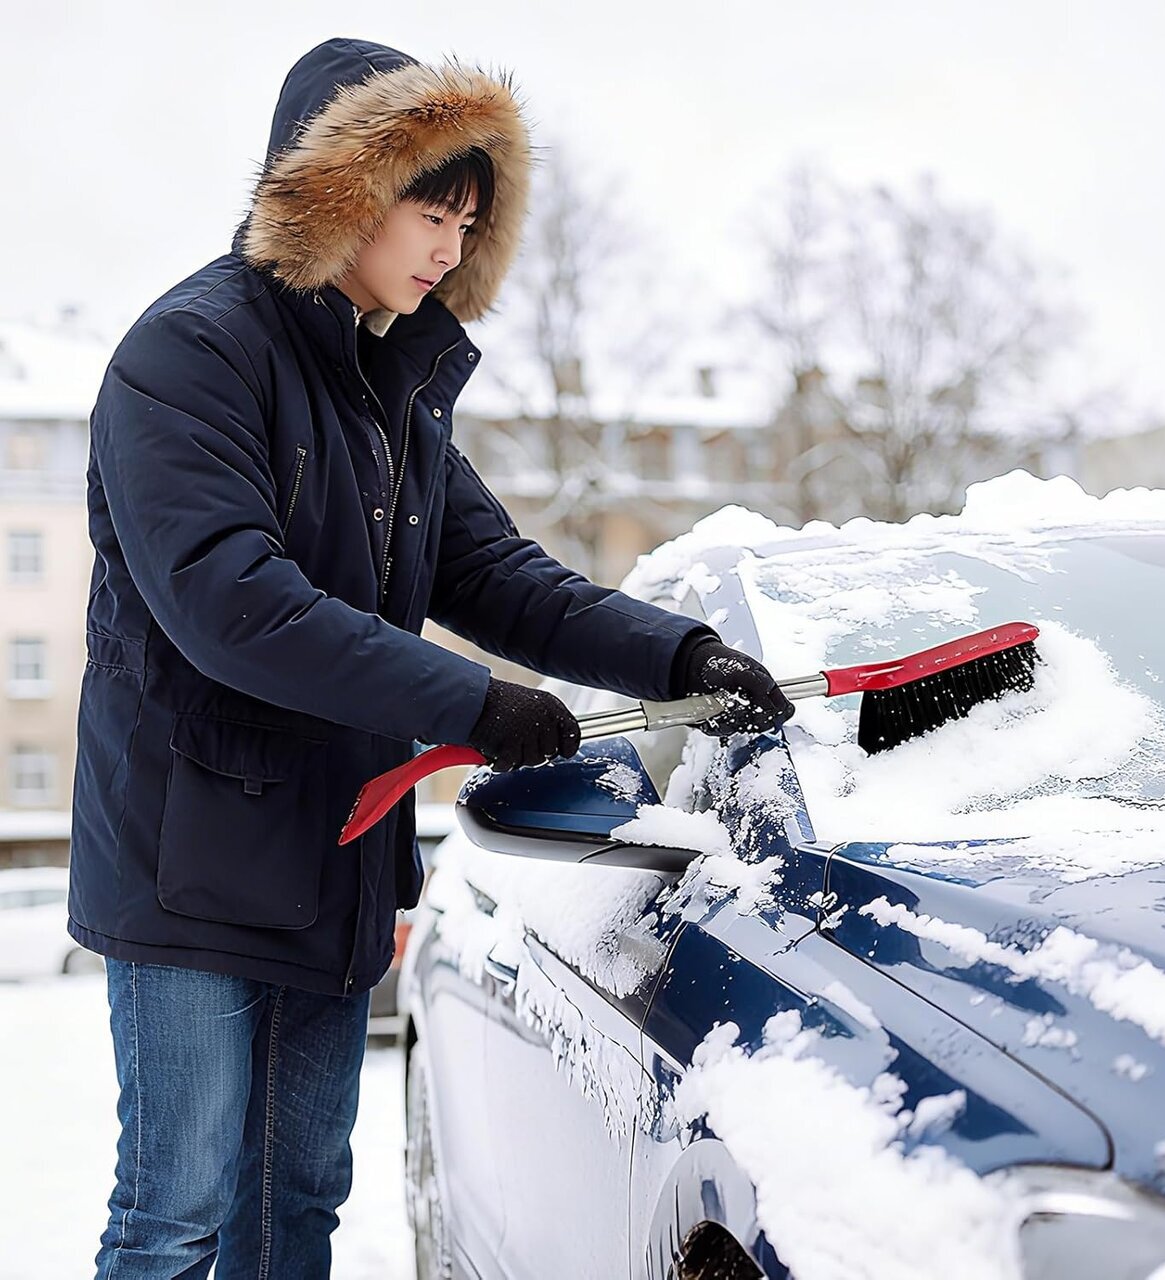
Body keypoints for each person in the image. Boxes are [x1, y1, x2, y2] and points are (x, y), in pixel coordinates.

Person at [68, 35, 795, 1279]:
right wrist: (471, 702)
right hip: (191, 863)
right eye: (429, 211)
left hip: (333, 850)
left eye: (468, 220)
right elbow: (231, 602)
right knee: (176, 1215)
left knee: (295, 1205)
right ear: (342, 192)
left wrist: (680, 654)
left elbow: (499, 575)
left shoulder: (386, 391)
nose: (450, 247)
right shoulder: (188, 354)